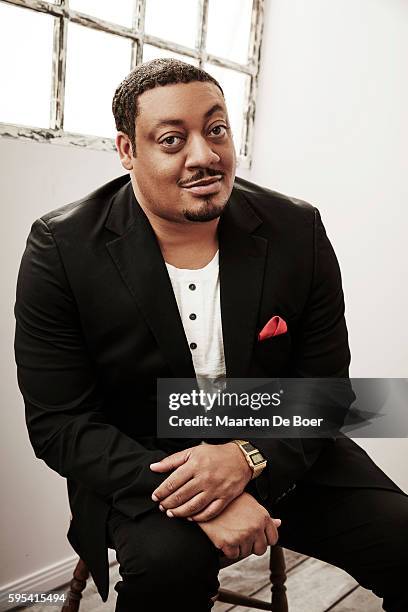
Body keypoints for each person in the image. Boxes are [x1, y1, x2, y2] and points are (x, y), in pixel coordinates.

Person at [15, 59, 408, 612]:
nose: (204, 156)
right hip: (141, 462)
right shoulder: (61, 248)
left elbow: (324, 392)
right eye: (172, 139)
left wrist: (246, 460)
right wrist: (206, 498)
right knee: (166, 571)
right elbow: (59, 422)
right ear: (127, 150)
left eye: (216, 129)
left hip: (275, 442)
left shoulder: (297, 229)